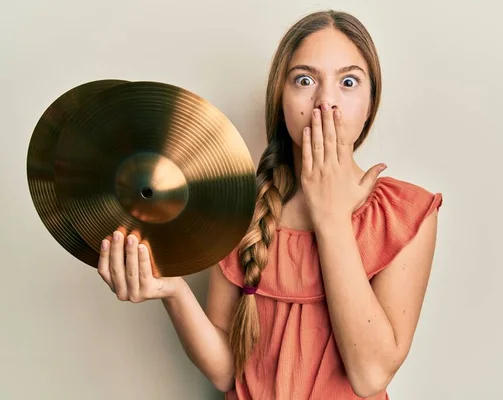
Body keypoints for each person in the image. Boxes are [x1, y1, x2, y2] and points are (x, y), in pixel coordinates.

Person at [97, 9, 443, 400]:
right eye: (305, 79)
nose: (325, 101)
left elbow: (370, 375)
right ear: (280, 97)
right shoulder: (240, 209)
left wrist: (329, 215)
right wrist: (173, 290)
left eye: (348, 81)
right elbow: (229, 372)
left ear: (370, 103)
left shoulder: (406, 214)